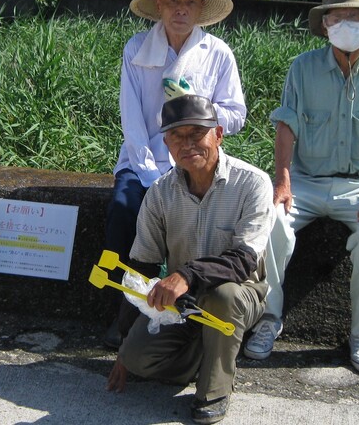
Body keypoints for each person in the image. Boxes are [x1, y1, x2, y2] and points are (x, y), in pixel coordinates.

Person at [243, 0, 359, 374]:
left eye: (354, 18)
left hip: (358, 184)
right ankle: (268, 319)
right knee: (270, 223)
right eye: (337, 18)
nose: (345, 24)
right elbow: (286, 125)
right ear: (326, 24)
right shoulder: (302, 67)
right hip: (305, 181)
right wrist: (282, 181)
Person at [104, 0, 247, 347]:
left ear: (200, 8)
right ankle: (125, 310)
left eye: (189, 2)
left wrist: (198, 105)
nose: (181, 10)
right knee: (124, 209)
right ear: (159, 6)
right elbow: (132, 118)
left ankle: (188, 309)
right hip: (143, 158)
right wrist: (149, 173)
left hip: (196, 158)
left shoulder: (217, 54)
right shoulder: (137, 49)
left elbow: (236, 114)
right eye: (172, 1)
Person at [106, 94, 273, 425]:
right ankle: (211, 352)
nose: (187, 144)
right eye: (177, 136)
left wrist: (187, 275)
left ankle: (214, 390)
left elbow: (244, 260)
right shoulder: (159, 193)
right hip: (182, 303)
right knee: (138, 359)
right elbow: (142, 268)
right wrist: (125, 345)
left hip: (240, 292)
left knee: (224, 296)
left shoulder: (252, 183)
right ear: (167, 143)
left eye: (197, 133)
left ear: (218, 135)